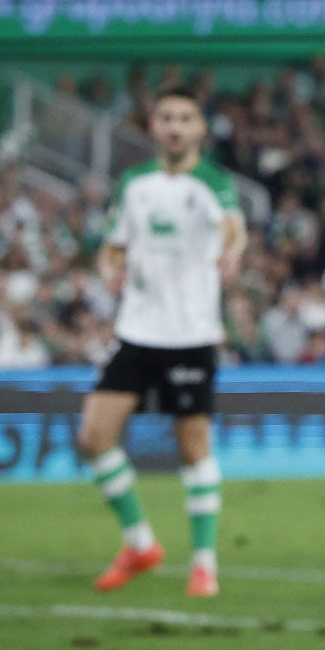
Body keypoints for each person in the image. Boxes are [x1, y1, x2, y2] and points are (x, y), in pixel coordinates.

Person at [78, 86, 246, 599]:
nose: (175, 126)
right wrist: (109, 268)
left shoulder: (212, 182)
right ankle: (140, 544)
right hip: (136, 330)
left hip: (190, 334)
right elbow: (112, 246)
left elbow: (233, 227)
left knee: (192, 446)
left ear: (199, 129)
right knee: (93, 438)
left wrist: (231, 254)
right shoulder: (134, 183)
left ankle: (203, 563)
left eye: (185, 118)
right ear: (153, 128)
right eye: (166, 118)